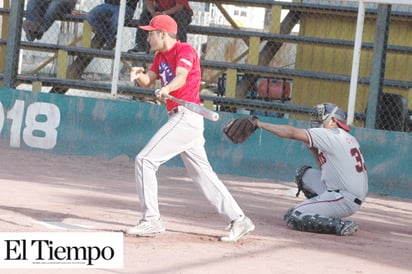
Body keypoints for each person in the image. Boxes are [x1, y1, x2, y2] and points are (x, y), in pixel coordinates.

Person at [127, 15, 255, 242]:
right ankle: (239, 219)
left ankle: (152, 219)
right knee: (202, 174)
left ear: (163, 34)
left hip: (187, 116)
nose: (147, 38)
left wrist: (167, 88)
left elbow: (181, 77)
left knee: (145, 160)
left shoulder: (185, 50)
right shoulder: (159, 57)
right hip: (184, 120)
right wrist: (138, 75)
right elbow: (148, 81)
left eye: (151, 33)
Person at [253, 103, 368, 236]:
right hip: (347, 193)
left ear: (332, 121)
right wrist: (314, 150)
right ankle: (322, 209)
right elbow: (326, 169)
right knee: (304, 174)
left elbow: (291, 133)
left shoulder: (329, 133)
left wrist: (260, 124)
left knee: (295, 215)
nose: (317, 121)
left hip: (343, 198)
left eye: (321, 117)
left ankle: (339, 225)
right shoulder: (346, 137)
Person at [128, 0, 193, 53]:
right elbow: (149, 4)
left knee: (180, 17)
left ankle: (180, 48)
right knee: (146, 14)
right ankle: (141, 46)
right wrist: (153, 13)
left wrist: (164, 13)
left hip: (180, 12)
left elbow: (179, 7)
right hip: (162, 10)